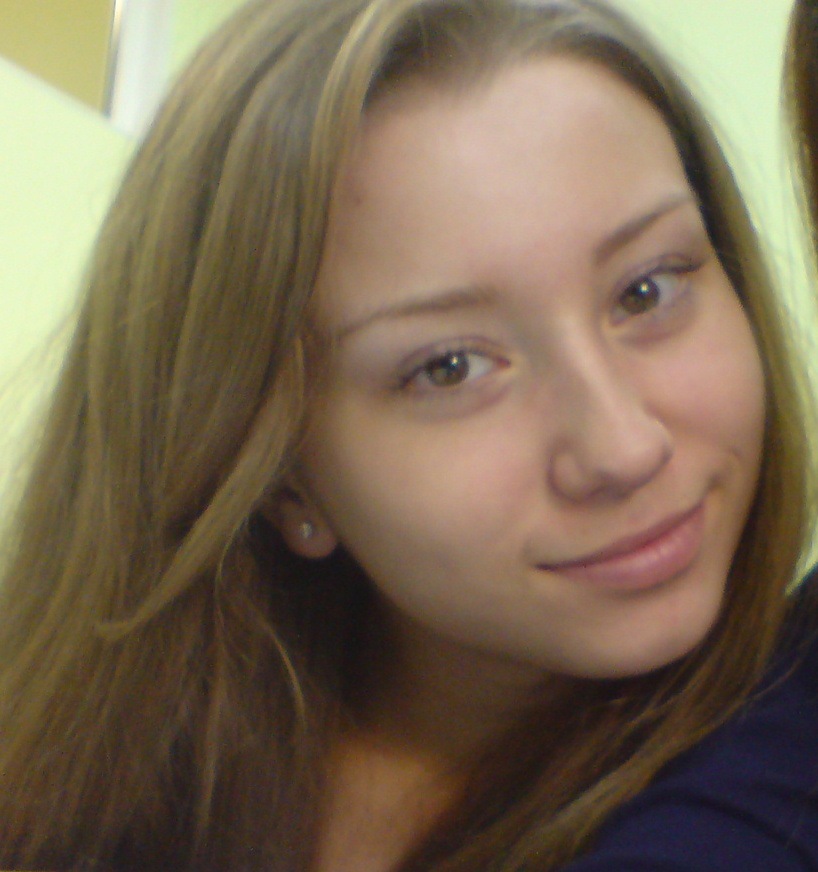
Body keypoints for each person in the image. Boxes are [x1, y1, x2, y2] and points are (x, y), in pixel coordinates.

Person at [0, 0, 815, 868]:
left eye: (646, 291)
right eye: (450, 367)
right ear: (278, 474)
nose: (624, 449)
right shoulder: (68, 786)